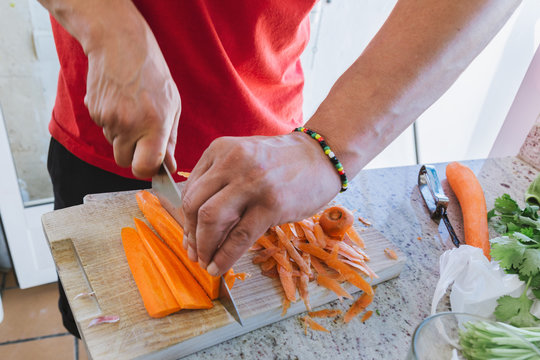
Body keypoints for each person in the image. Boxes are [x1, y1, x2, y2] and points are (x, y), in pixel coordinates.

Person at [38, 0, 521, 337]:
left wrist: (327, 148)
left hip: (274, 155)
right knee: (100, 325)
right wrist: (109, 28)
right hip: (110, 131)